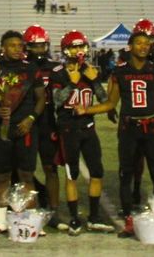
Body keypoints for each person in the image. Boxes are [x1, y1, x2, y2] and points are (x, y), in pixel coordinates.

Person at [82, 28, 154, 238]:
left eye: (146, 43)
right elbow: (110, 103)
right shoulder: (120, 71)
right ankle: (130, 222)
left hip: (151, 126)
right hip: (129, 128)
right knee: (126, 174)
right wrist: (86, 110)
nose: (144, 46)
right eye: (139, 43)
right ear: (130, 47)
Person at [0, 30, 46, 235]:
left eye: (20, 45)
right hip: (0, 128)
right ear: (3, 48)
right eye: (13, 45)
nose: (18, 49)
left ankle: (32, 219)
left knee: (26, 174)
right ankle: (0, 221)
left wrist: (31, 118)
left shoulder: (31, 68)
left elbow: (41, 98)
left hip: (26, 128)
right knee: (1, 174)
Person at [48, 30, 115, 235]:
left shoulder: (89, 69)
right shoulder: (58, 71)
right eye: (74, 47)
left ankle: (94, 218)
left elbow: (104, 99)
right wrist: (73, 82)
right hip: (68, 129)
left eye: (80, 46)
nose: (78, 50)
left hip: (88, 127)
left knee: (97, 172)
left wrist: (95, 81)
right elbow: (57, 101)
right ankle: (75, 218)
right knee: (72, 175)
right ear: (66, 49)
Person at [23, 25, 63, 230]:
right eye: (34, 46)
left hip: (47, 121)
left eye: (41, 46)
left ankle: (53, 209)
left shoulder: (55, 67)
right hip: (27, 121)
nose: (39, 50)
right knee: (24, 169)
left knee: (50, 167)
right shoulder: (20, 66)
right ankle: (32, 202)